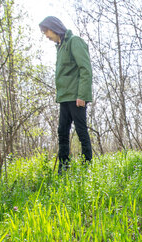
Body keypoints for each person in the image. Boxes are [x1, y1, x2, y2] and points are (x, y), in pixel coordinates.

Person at [39, 16, 93, 174]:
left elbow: (85, 69)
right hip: (64, 97)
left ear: (54, 27)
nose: (46, 36)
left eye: (46, 31)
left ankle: (87, 168)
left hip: (77, 97)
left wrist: (82, 95)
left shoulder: (74, 41)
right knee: (62, 131)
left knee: (81, 132)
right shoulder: (60, 46)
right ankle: (63, 168)